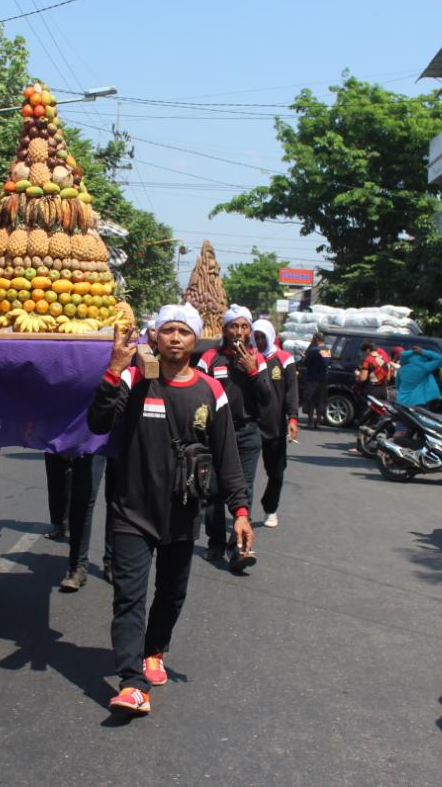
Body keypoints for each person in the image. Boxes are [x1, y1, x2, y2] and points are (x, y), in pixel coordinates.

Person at [88, 303, 253, 716]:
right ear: (155, 337)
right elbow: (97, 422)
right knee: (128, 596)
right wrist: (113, 370)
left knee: (171, 593)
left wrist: (241, 511)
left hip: (183, 511)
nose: (175, 338)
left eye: (183, 331)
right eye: (168, 330)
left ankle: (154, 649)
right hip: (132, 510)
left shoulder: (209, 391)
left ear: (195, 340)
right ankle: (132, 682)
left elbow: (227, 455)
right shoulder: (135, 377)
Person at [197, 304, 270, 570]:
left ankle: (236, 546)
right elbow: (198, 391)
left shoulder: (256, 357)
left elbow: (266, 398)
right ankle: (215, 542)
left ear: (250, 330)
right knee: (214, 490)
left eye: (244, 326)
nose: (238, 331)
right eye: (233, 326)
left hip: (247, 433)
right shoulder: (210, 357)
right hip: (215, 433)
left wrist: (252, 371)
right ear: (224, 329)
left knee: (244, 489)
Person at [250, 318, 300, 529]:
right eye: (256, 337)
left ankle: (270, 508)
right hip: (251, 425)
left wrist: (293, 418)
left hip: (275, 427)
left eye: (263, 337)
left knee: (276, 473)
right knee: (244, 475)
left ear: (271, 336)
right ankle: (241, 513)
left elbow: (291, 391)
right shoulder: (248, 358)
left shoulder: (284, 358)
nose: (259, 341)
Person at [44, 452, 105, 591]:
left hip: (123, 437)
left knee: (118, 497)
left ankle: (112, 561)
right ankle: (78, 566)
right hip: (90, 439)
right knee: (83, 496)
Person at [301, 332, 330, 429]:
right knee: (320, 401)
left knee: (311, 400)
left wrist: (304, 357)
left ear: (316, 340)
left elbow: (306, 363)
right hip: (323, 379)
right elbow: (327, 363)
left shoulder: (313, 350)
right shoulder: (328, 350)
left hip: (312, 379)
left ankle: (310, 423)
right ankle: (318, 423)